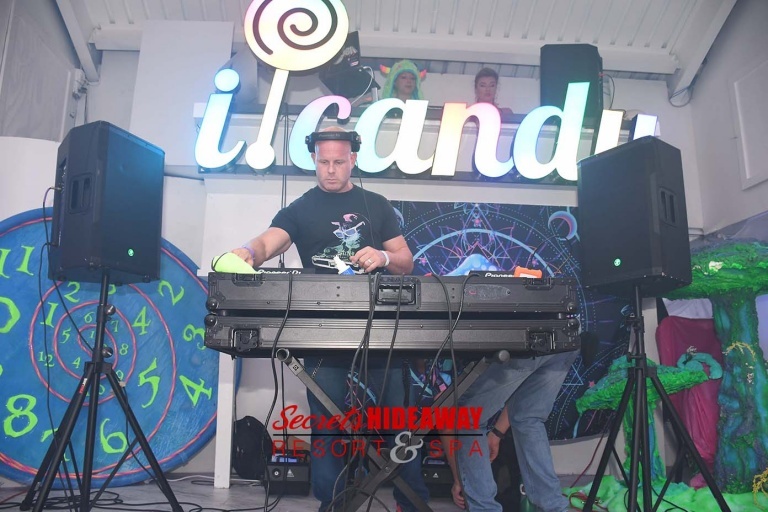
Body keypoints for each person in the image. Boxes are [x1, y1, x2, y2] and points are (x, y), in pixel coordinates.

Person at [231, 126, 429, 512]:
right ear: (314, 160)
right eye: (323, 162)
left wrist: (384, 256)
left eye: (339, 161)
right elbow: (270, 240)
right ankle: (333, 504)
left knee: (398, 421)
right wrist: (248, 252)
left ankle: (412, 502)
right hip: (322, 326)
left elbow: (406, 261)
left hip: (380, 327)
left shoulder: (377, 205)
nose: (331, 169)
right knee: (326, 422)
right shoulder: (300, 209)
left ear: (353, 160)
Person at [441, 350, 578, 512]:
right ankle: (554, 507)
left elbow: (449, 418)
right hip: (564, 345)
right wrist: (497, 433)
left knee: (467, 417)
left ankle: (485, 509)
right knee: (529, 419)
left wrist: (459, 479)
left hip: (528, 341)